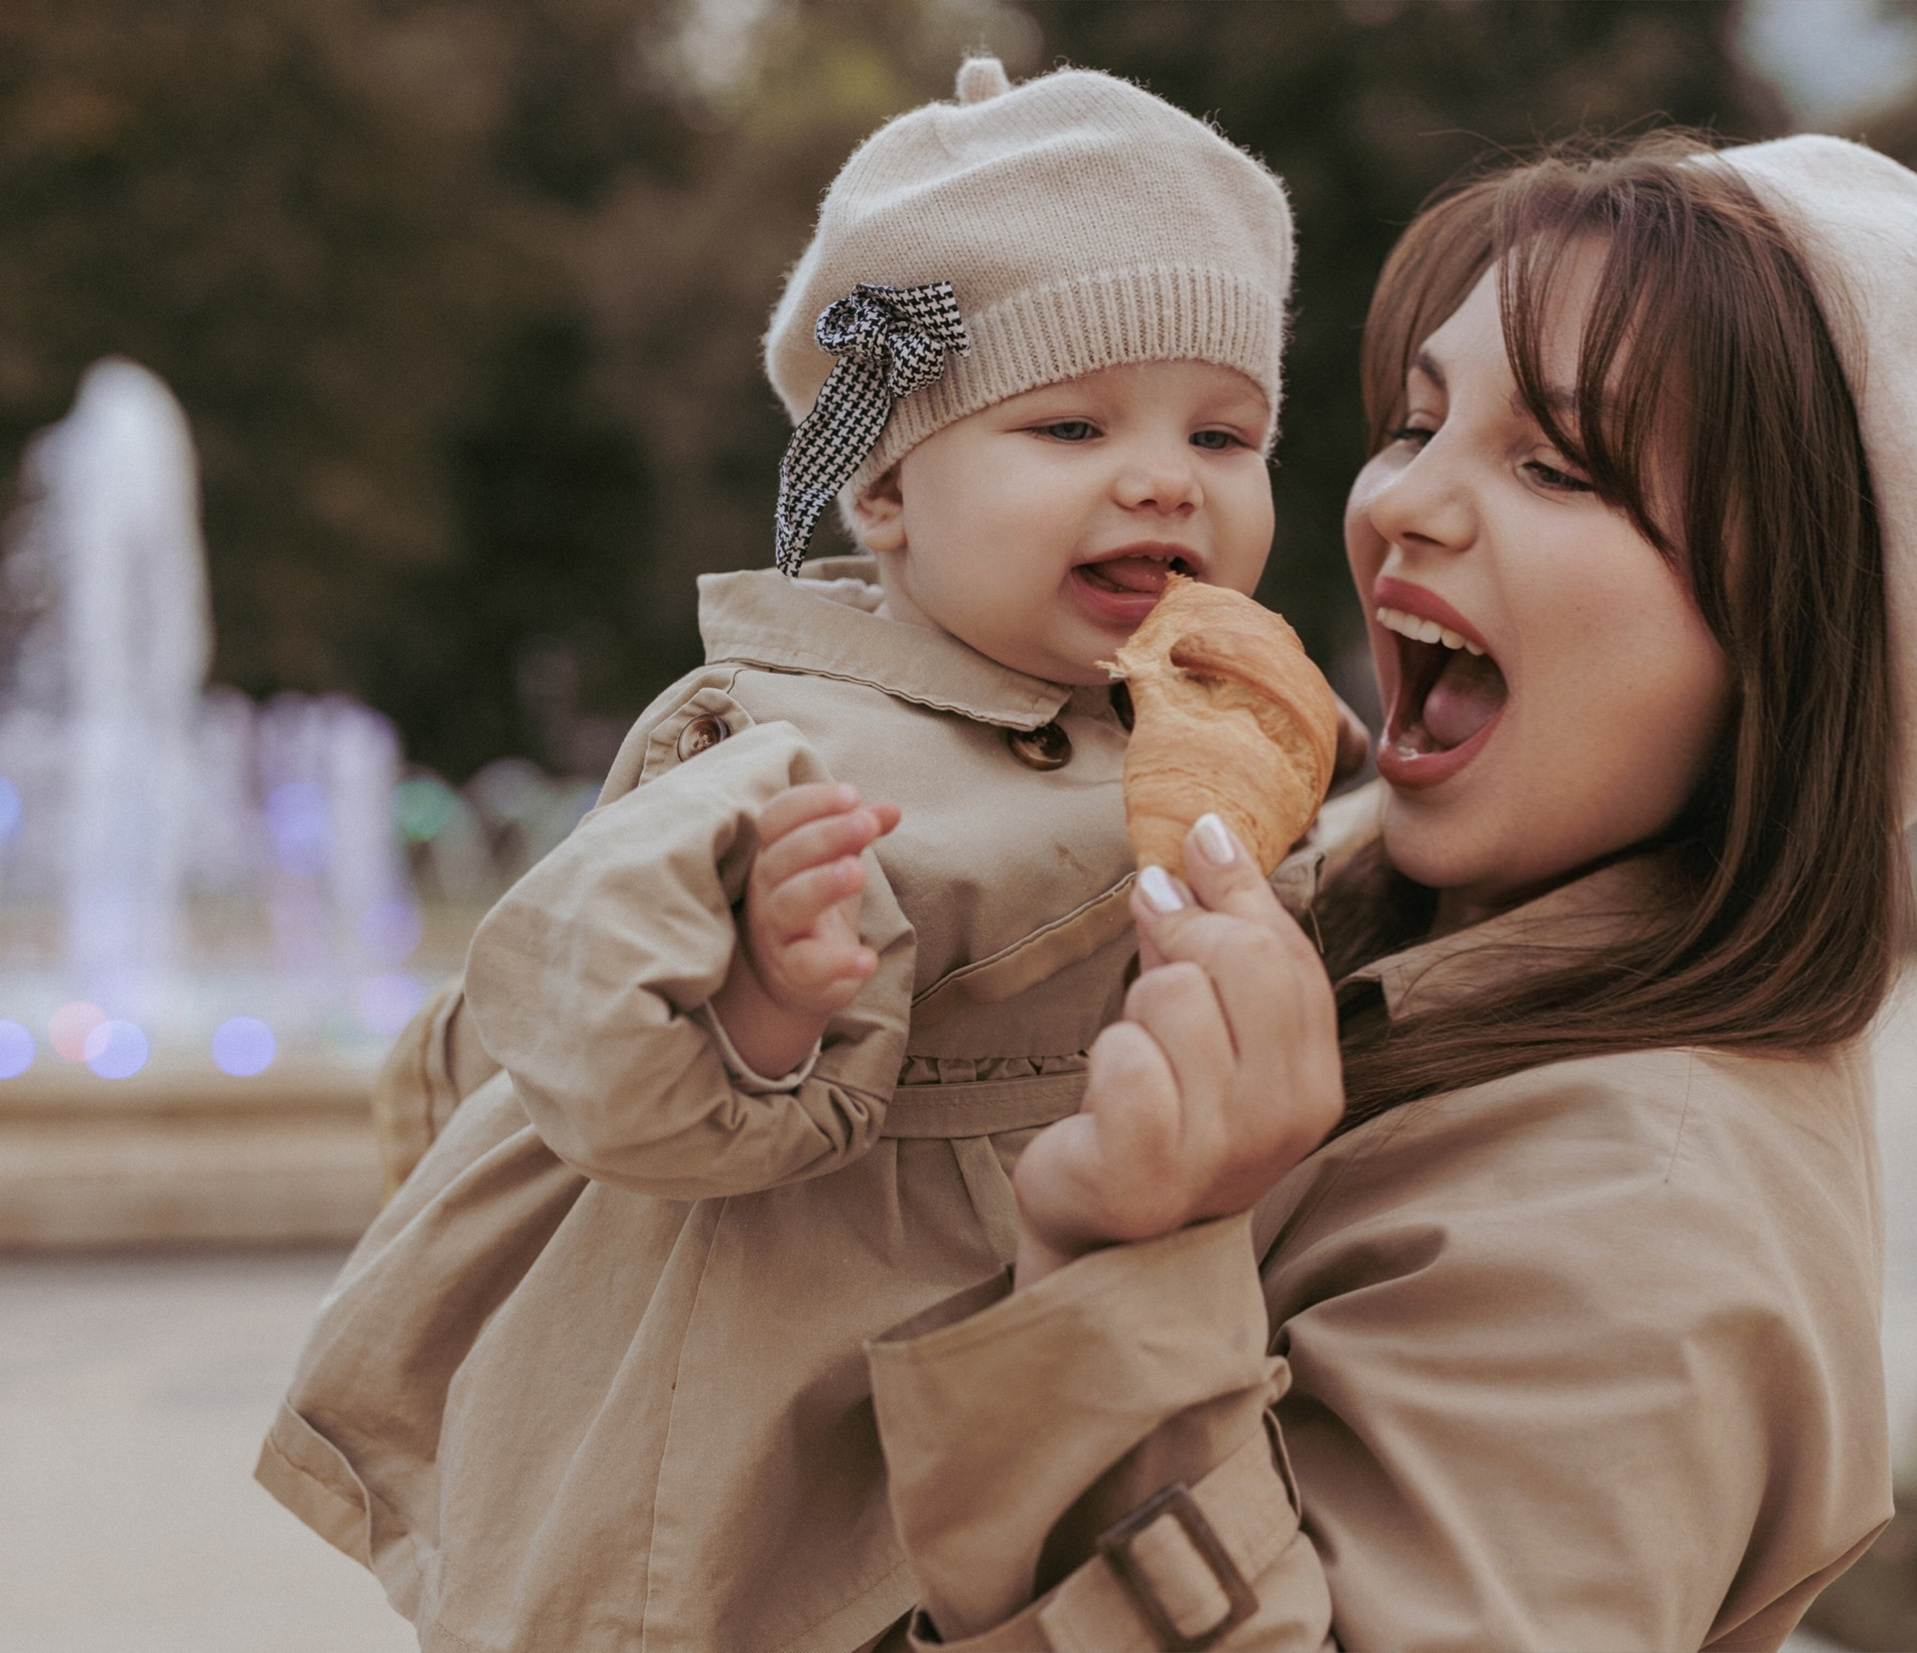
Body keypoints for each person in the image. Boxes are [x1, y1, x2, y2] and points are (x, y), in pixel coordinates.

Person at [853, 130, 1917, 1650]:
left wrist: (1129, 1262)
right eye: (1417, 423)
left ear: (1787, 639)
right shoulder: (1334, 895)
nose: (1404, 503)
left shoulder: (1642, 1220)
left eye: (1553, 463)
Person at [256, 60, 1310, 1653]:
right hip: (765, 1445)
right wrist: (760, 998)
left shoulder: (1223, 731)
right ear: (884, 490)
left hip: (1037, 1404)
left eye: (1222, 434)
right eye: (1072, 422)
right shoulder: (785, 747)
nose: (1164, 476)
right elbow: (584, 1045)